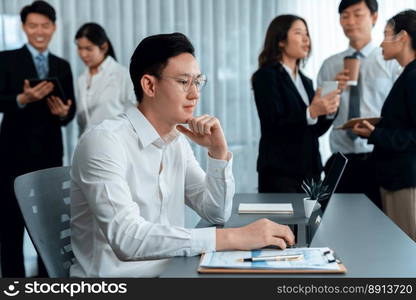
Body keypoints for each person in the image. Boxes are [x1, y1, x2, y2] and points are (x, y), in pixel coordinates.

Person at [70, 33, 295, 277]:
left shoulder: (176, 140)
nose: (195, 94)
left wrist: (217, 153)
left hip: (173, 272)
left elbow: (215, 211)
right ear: (149, 85)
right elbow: (127, 238)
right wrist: (234, 237)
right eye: (184, 82)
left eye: (198, 82)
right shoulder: (104, 142)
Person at [0, 0, 76, 277]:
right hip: (11, 155)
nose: (39, 31)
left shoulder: (62, 65)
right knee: (10, 224)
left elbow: (70, 112)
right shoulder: (5, 60)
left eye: (45, 25)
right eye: (33, 25)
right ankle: (12, 283)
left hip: (48, 155)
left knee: (50, 225)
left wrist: (64, 112)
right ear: (24, 27)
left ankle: (48, 281)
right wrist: (23, 98)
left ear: (54, 28)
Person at [317, 0, 401, 209]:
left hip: (379, 158)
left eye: (357, 14)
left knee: (382, 228)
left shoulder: (391, 61)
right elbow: (322, 117)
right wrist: (333, 88)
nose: (350, 21)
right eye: (344, 16)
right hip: (341, 161)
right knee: (338, 227)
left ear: (374, 17)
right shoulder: (330, 65)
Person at [252, 15, 340, 193]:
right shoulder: (266, 76)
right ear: (281, 40)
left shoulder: (306, 81)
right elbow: (273, 123)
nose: (306, 39)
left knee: (312, 222)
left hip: (311, 173)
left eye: (307, 33)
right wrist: (311, 112)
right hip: (280, 174)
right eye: (299, 33)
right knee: (281, 222)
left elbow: (313, 131)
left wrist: (329, 110)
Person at [352, 10, 416, 241]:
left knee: (407, 248)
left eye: (386, 34)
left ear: (403, 37)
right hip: (395, 177)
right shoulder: (406, 74)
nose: (380, 42)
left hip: (405, 179)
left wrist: (376, 134)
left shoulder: (413, 76)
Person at [75, 23, 136, 135]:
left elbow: (134, 115)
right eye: (79, 48)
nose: (83, 54)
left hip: (115, 143)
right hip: (88, 145)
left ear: (104, 47)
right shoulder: (81, 79)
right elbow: (82, 122)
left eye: (88, 49)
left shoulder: (122, 75)